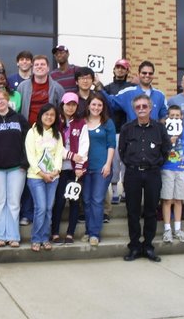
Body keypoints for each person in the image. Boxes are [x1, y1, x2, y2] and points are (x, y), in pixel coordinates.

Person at [119, 94, 171, 262]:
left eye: (144, 106)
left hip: (152, 174)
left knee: (150, 211)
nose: (141, 109)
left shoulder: (159, 129)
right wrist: (131, 164)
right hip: (133, 174)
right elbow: (122, 151)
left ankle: (148, 246)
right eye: (138, 106)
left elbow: (166, 151)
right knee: (133, 211)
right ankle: (134, 246)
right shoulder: (127, 128)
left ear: (150, 108)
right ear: (134, 109)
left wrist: (155, 164)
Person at [16, 54, 64, 226]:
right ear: (32, 67)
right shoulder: (23, 86)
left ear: (48, 67)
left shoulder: (57, 88)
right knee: (31, 171)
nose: (39, 67)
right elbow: (19, 109)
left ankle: (42, 214)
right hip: (29, 134)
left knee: (46, 171)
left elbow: (61, 111)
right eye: (36, 64)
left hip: (49, 135)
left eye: (43, 64)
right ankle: (27, 213)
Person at [0, 90, 29, 248]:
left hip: (17, 168)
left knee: (13, 202)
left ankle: (13, 236)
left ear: (8, 100)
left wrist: (25, 162)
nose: (0, 101)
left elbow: (28, 141)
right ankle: (0, 236)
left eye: (3, 98)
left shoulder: (19, 119)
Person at [51, 92, 89, 244]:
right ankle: (54, 232)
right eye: (68, 104)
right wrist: (70, 155)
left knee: (74, 201)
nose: (70, 107)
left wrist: (79, 166)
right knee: (59, 201)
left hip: (76, 169)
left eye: (73, 104)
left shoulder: (81, 124)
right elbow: (54, 146)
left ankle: (70, 233)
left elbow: (84, 146)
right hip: (59, 168)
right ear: (62, 104)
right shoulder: (56, 122)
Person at [25, 104, 63, 252]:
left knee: (48, 208)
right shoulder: (32, 132)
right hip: (36, 177)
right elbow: (31, 155)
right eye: (46, 114)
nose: (49, 117)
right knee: (40, 208)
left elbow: (59, 154)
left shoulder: (57, 134)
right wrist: (42, 174)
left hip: (53, 177)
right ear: (41, 116)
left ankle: (45, 238)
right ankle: (36, 238)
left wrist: (55, 171)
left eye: (52, 115)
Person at [82, 94, 115, 246]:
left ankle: (95, 233)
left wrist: (108, 164)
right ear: (88, 105)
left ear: (103, 107)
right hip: (84, 168)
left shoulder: (108, 123)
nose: (96, 108)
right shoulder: (82, 122)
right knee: (87, 200)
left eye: (99, 105)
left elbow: (111, 145)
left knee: (97, 200)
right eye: (94, 104)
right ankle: (88, 231)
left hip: (102, 168)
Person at [103, 59, 133, 204]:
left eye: (123, 68)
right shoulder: (107, 88)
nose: (120, 70)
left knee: (126, 162)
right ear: (114, 70)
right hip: (113, 129)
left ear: (127, 71)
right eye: (118, 67)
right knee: (114, 162)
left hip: (128, 129)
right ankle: (114, 191)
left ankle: (126, 191)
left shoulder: (132, 88)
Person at [98, 60, 168, 122]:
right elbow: (111, 102)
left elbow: (164, 116)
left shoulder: (160, 95)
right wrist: (99, 88)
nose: (147, 75)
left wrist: (160, 132)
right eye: (144, 73)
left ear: (153, 75)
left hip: (153, 135)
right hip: (133, 135)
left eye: (150, 73)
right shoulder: (128, 92)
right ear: (138, 74)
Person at [160, 105, 184, 244]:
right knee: (167, 199)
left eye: (177, 115)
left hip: (181, 168)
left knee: (179, 200)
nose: (174, 118)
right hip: (167, 168)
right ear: (167, 117)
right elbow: (160, 150)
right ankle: (167, 229)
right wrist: (169, 141)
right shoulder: (164, 132)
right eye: (171, 115)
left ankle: (178, 228)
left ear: (182, 116)